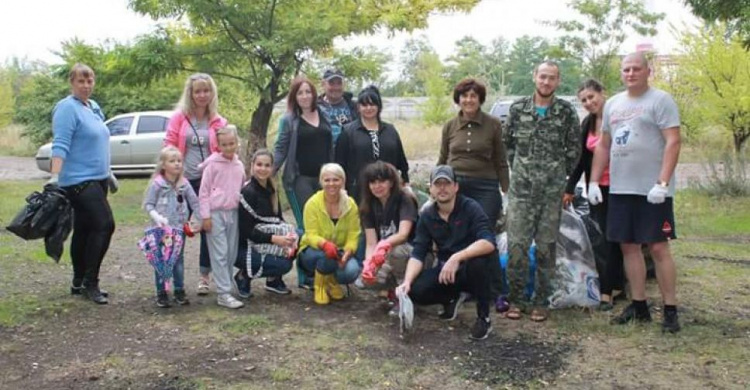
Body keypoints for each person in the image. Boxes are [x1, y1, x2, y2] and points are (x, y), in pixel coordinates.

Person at [589, 52, 682, 333]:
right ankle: (639, 305)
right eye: (626, 69)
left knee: (657, 247)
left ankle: (670, 309)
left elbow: (673, 141)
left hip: (652, 190)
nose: (631, 74)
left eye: (636, 69)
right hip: (621, 188)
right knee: (628, 246)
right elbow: (603, 145)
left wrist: (663, 183)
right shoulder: (614, 104)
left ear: (648, 71)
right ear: (621, 73)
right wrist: (593, 182)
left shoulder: (661, 100)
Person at [503, 60, 581, 322]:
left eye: (552, 78)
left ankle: (541, 301)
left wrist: (557, 176)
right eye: (543, 76)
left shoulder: (567, 112)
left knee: (547, 248)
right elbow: (508, 145)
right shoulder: (517, 109)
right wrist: (523, 170)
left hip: (550, 193)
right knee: (516, 247)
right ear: (534, 77)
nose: (546, 82)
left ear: (558, 82)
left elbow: (574, 150)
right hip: (522, 193)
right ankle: (516, 300)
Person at [396, 165, 496, 340]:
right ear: (431, 189)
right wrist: (407, 282)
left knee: (479, 264)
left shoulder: (470, 207)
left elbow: (488, 242)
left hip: (470, 267)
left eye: (447, 183)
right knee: (416, 290)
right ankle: (450, 299)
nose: (442, 188)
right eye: (438, 184)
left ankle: (483, 318)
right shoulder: (427, 215)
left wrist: (457, 257)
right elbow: (418, 252)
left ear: (456, 187)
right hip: (447, 272)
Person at [438, 78, 510, 311]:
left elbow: (500, 160)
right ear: (458, 99)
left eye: (473, 96)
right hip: (456, 187)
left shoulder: (493, 124)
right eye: (464, 96)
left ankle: (498, 292)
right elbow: (442, 159)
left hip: (486, 188)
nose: (468, 100)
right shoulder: (450, 126)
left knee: (484, 238)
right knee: (460, 236)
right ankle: (468, 287)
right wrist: (436, 189)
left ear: (480, 99)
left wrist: (506, 190)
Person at [50, 63, 115, 304]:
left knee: (86, 229)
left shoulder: (93, 107)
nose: (86, 86)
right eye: (81, 81)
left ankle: (77, 282)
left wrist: (109, 173)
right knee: (105, 224)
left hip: (98, 179)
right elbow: (61, 144)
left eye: (89, 81)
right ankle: (91, 282)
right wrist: (55, 177)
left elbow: (98, 142)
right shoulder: (67, 109)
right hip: (77, 180)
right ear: (72, 83)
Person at [562, 79, 625, 311]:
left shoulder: (619, 118)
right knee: (604, 238)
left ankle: (608, 292)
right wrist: (569, 189)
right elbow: (580, 160)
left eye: (591, 97)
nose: (589, 103)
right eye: (584, 100)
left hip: (622, 186)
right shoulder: (587, 123)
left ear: (602, 93)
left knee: (616, 239)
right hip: (597, 189)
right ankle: (616, 285)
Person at [164, 73, 228, 296]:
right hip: (182, 181)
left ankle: (204, 276)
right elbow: (169, 146)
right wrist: (170, 174)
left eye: (206, 90)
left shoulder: (219, 121)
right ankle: (173, 277)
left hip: (207, 183)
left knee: (207, 228)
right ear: (190, 94)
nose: (202, 95)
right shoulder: (179, 118)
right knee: (177, 228)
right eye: (198, 91)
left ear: (212, 93)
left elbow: (223, 151)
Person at [273, 76, 334, 290]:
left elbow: (331, 145)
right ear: (294, 96)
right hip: (298, 180)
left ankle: (323, 271)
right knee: (306, 227)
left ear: (314, 94)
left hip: (324, 181)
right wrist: (267, 172)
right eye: (300, 92)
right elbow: (281, 148)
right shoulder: (289, 120)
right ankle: (304, 275)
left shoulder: (324, 114)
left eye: (308, 92)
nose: (305, 96)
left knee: (325, 226)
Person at [143, 146, 202, 308]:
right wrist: (157, 217)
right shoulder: (157, 184)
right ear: (163, 165)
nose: (177, 164)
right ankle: (161, 291)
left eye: (179, 161)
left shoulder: (184, 184)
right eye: (172, 161)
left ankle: (179, 289)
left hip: (179, 230)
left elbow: (195, 202)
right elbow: (148, 205)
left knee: (178, 259)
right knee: (160, 260)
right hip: (160, 230)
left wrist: (198, 220)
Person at [235, 149, 296, 298]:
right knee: (284, 264)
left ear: (272, 167)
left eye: (267, 165)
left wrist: (289, 236)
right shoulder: (248, 191)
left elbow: (279, 219)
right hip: (245, 247)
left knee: (298, 237)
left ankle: (273, 280)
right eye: (259, 164)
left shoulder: (273, 190)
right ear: (252, 165)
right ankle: (243, 275)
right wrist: (275, 239)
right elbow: (246, 231)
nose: (263, 169)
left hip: (267, 240)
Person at [297, 163, 362, 305]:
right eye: (327, 180)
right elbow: (310, 234)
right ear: (321, 182)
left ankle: (331, 280)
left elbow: (353, 235)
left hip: (339, 251)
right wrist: (324, 244)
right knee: (325, 257)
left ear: (342, 181)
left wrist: (348, 251)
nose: (331, 184)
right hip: (313, 249)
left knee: (351, 270)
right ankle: (319, 285)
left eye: (336, 179)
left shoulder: (350, 205)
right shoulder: (312, 203)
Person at [358, 161, 418, 313]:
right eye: (373, 182)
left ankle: (404, 295)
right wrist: (369, 264)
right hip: (386, 252)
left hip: (413, 253)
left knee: (395, 251)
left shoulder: (404, 198)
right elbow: (371, 243)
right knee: (365, 279)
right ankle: (391, 290)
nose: (377, 186)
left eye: (381, 181)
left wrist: (383, 245)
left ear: (391, 182)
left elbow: (403, 235)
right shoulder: (368, 206)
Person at [335, 85, 410, 203]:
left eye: (372, 104)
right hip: (358, 191)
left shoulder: (390, 130)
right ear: (358, 107)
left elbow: (401, 159)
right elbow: (339, 163)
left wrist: (405, 180)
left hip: (388, 190)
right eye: (364, 105)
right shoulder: (348, 132)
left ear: (379, 106)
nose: (368, 108)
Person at [199, 125, 246, 309]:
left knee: (231, 252)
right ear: (218, 145)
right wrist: (205, 216)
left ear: (237, 143)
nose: (228, 147)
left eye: (231, 143)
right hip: (215, 213)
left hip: (233, 213)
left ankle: (227, 284)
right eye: (224, 144)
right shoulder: (212, 166)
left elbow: (242, 188)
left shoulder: (239, 165)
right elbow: (203, 193)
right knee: (219, 253)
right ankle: (223, 293)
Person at [317, 69, 359, 143]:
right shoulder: (315, 107)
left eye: (339, 83)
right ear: (323, 84)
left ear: (344, 85)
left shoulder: (355, 107)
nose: (336, 87)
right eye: (331, 83)